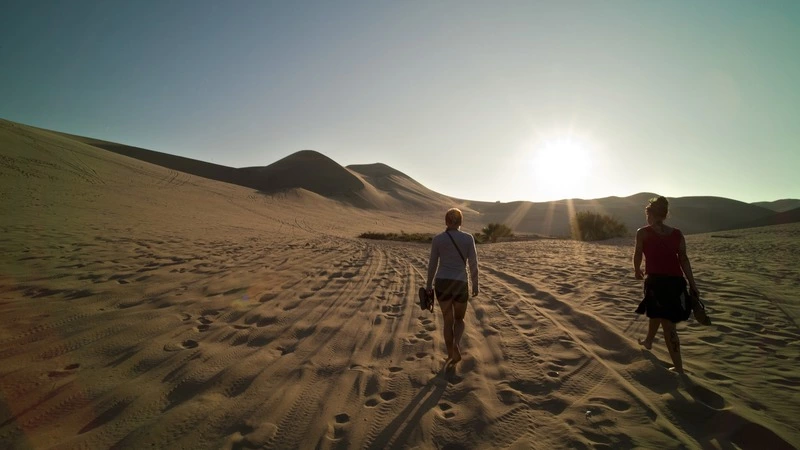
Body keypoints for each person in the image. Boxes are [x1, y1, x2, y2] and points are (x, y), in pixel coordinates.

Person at [633, 196, 699, 374]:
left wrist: (636, 269)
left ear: (650, 214)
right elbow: (683, 259)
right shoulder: (677, 233)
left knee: (668, 324)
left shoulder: (643, 232)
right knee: (656, 312)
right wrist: (692, 284)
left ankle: (679, 369)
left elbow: (638, 252)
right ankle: (648, 341)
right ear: (665, 214)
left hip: (656, 283)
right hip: (676, 283)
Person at [426, 208, 479, 367]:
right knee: (459, 319)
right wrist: (475, 284)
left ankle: (451, 352)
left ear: (446, 221)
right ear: (461, 222)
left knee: (447, 321)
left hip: (442, 282)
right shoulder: (468, 238)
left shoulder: (438, 239)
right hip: (460, 283)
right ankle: (456, 343)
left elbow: (433, 263)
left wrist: (429, 284)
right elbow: (473, 264)